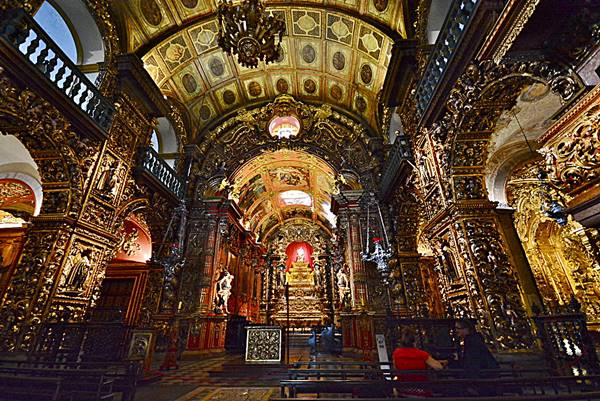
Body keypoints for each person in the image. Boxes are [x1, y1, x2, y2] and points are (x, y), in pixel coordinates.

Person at [392, 329, 444, 397]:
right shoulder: (422, 354)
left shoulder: (396, 353)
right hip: (421, 390)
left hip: (403, 391)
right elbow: (439, 367)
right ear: (415, 342)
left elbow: (395, 369)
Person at [453, 319, 500, 395]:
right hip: (482, 374)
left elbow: (473, 362)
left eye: (458, 328)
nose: (456, 331)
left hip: (484, 376)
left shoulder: (472, 341)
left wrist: (471, 383)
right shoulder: (471, 339)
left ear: (466, 329)